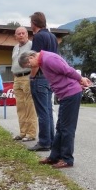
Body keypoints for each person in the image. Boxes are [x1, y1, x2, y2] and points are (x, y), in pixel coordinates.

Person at [19, 50, 92, 168]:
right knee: (60, 127)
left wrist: (81, 79)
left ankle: (67, 159)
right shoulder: (43, 61)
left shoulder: (49, 59)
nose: (30, 67)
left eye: (28, 64)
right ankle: (54, 157)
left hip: (70, 93)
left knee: (67, 128)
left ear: (31, 57)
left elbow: (67, 70)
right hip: (65, 95)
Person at [28, 12, 59, 151]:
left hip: (40, 76)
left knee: (42, 112)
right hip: (50, 77)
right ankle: (51, 140)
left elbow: (35, 60)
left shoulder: (38, 37)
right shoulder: (52, 37)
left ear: (34, 23)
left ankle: (44, 141)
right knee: (48, 110)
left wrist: (32, 77)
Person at [11, 26, 37, 142]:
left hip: (27, 76)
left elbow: (35, 61)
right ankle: (22, 132)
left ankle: (31, 133)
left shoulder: (31, 45)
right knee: (20, 107)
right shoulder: (15, 47)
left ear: (27, 34)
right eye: (18, 34)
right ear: (15, 36)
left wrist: (32, 76)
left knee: (29, 106)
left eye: (23, 33)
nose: (21, 35)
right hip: (17, 77)